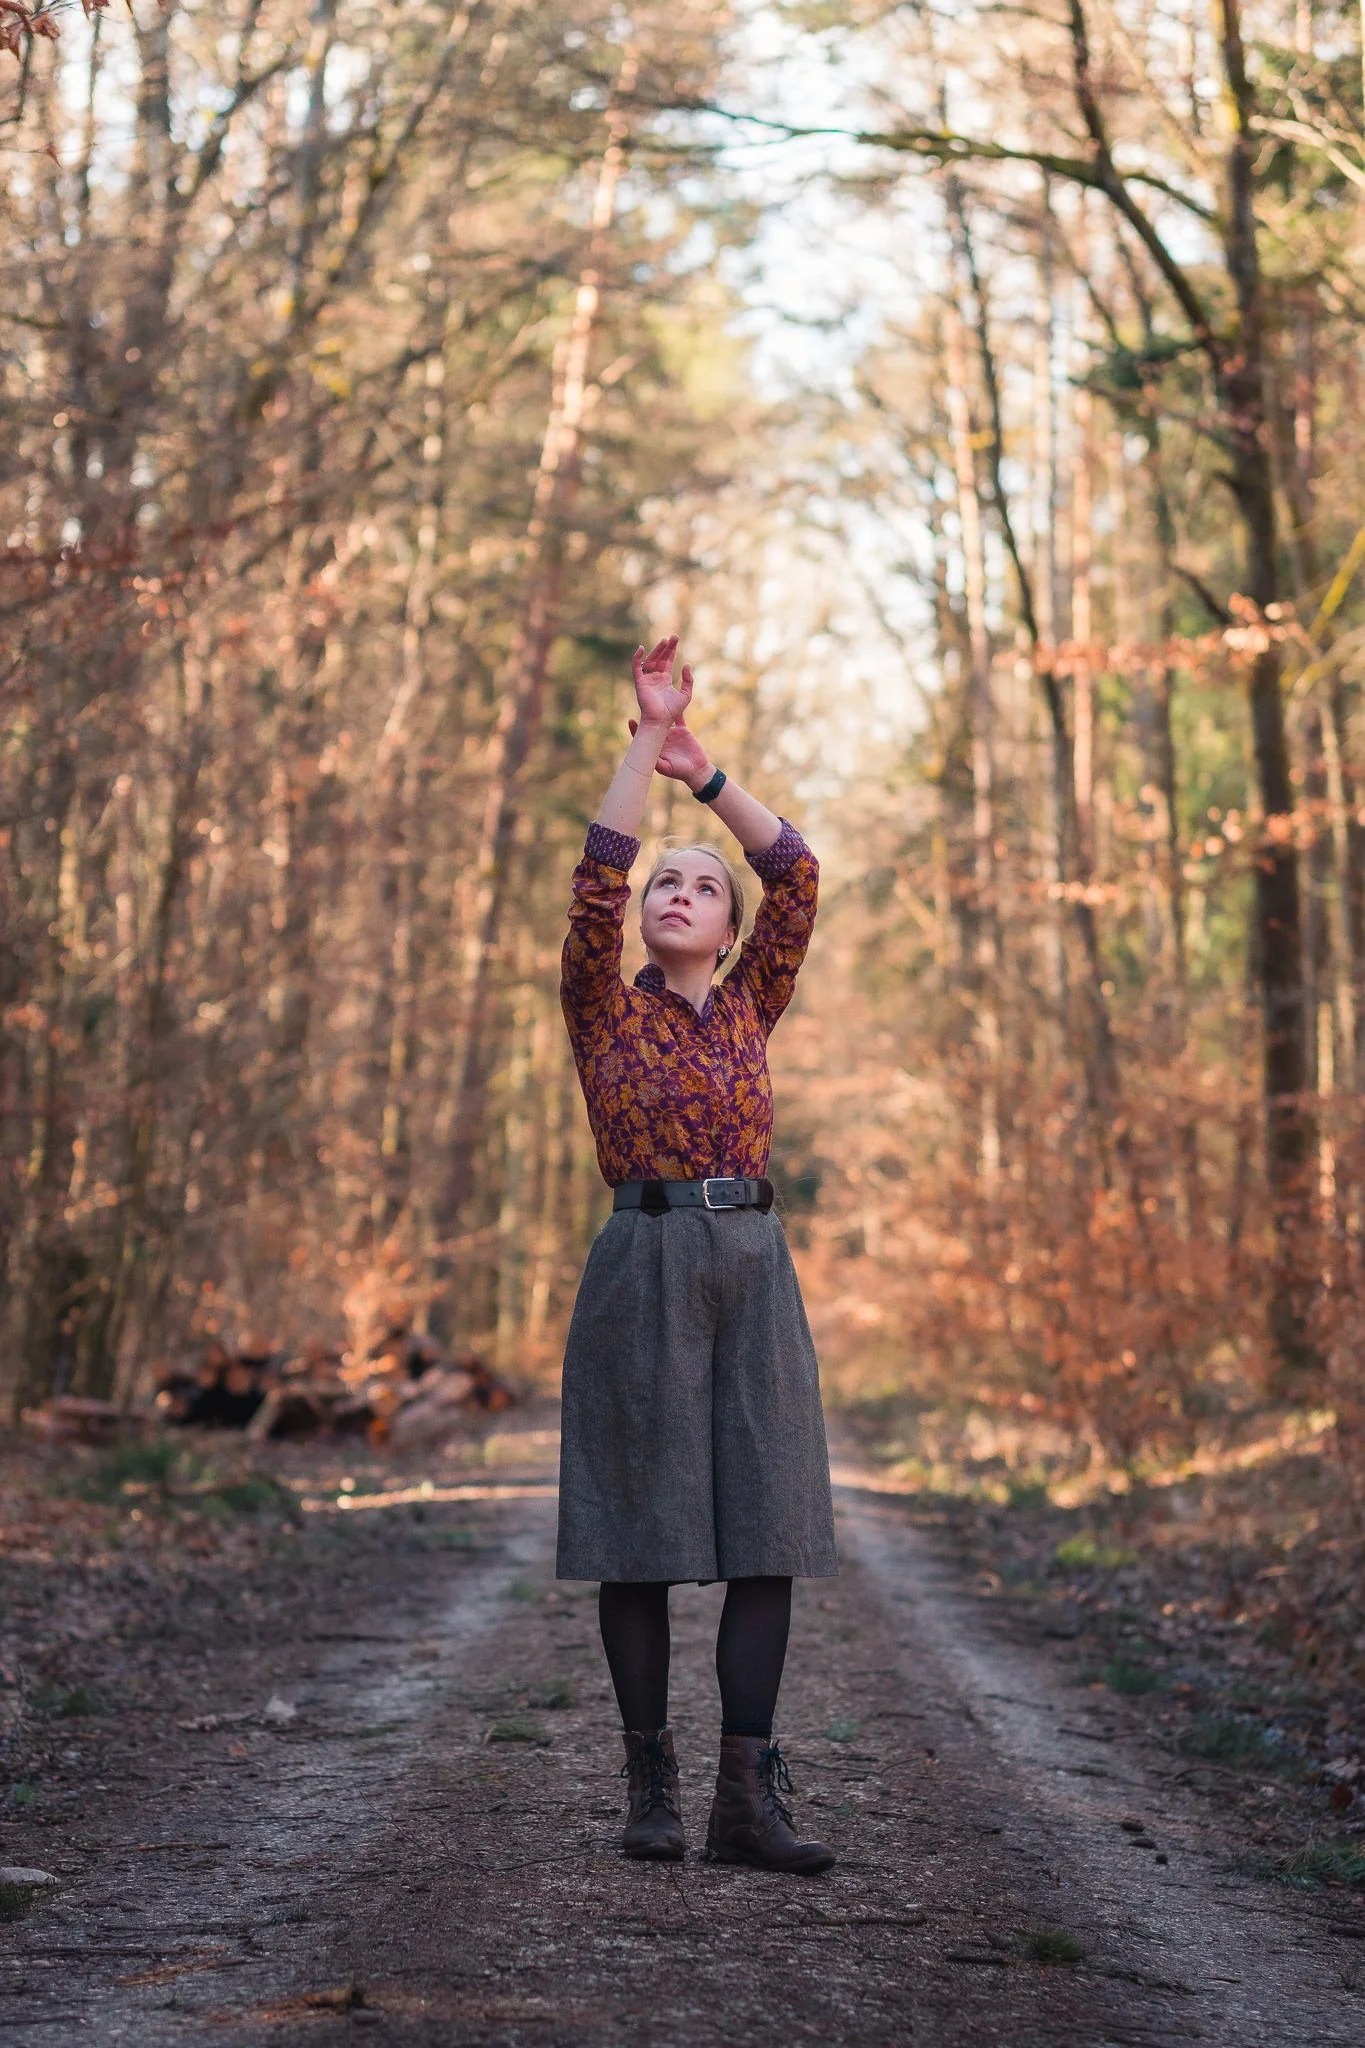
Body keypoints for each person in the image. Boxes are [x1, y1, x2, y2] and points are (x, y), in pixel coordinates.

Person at [557, 634, 838, 1874]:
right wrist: (638, 741)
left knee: (766, 1526)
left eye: (700, 885)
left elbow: (801, 870)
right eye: (665, 881)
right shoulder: (600, 1004)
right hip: (642, 1262)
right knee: (639, 1531)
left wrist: (705, 771)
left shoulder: (752, 1003)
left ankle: (746, 1795)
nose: (676, 886)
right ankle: (650, 1784)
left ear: (727, 931)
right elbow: (598, 872)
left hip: (753, 1263)